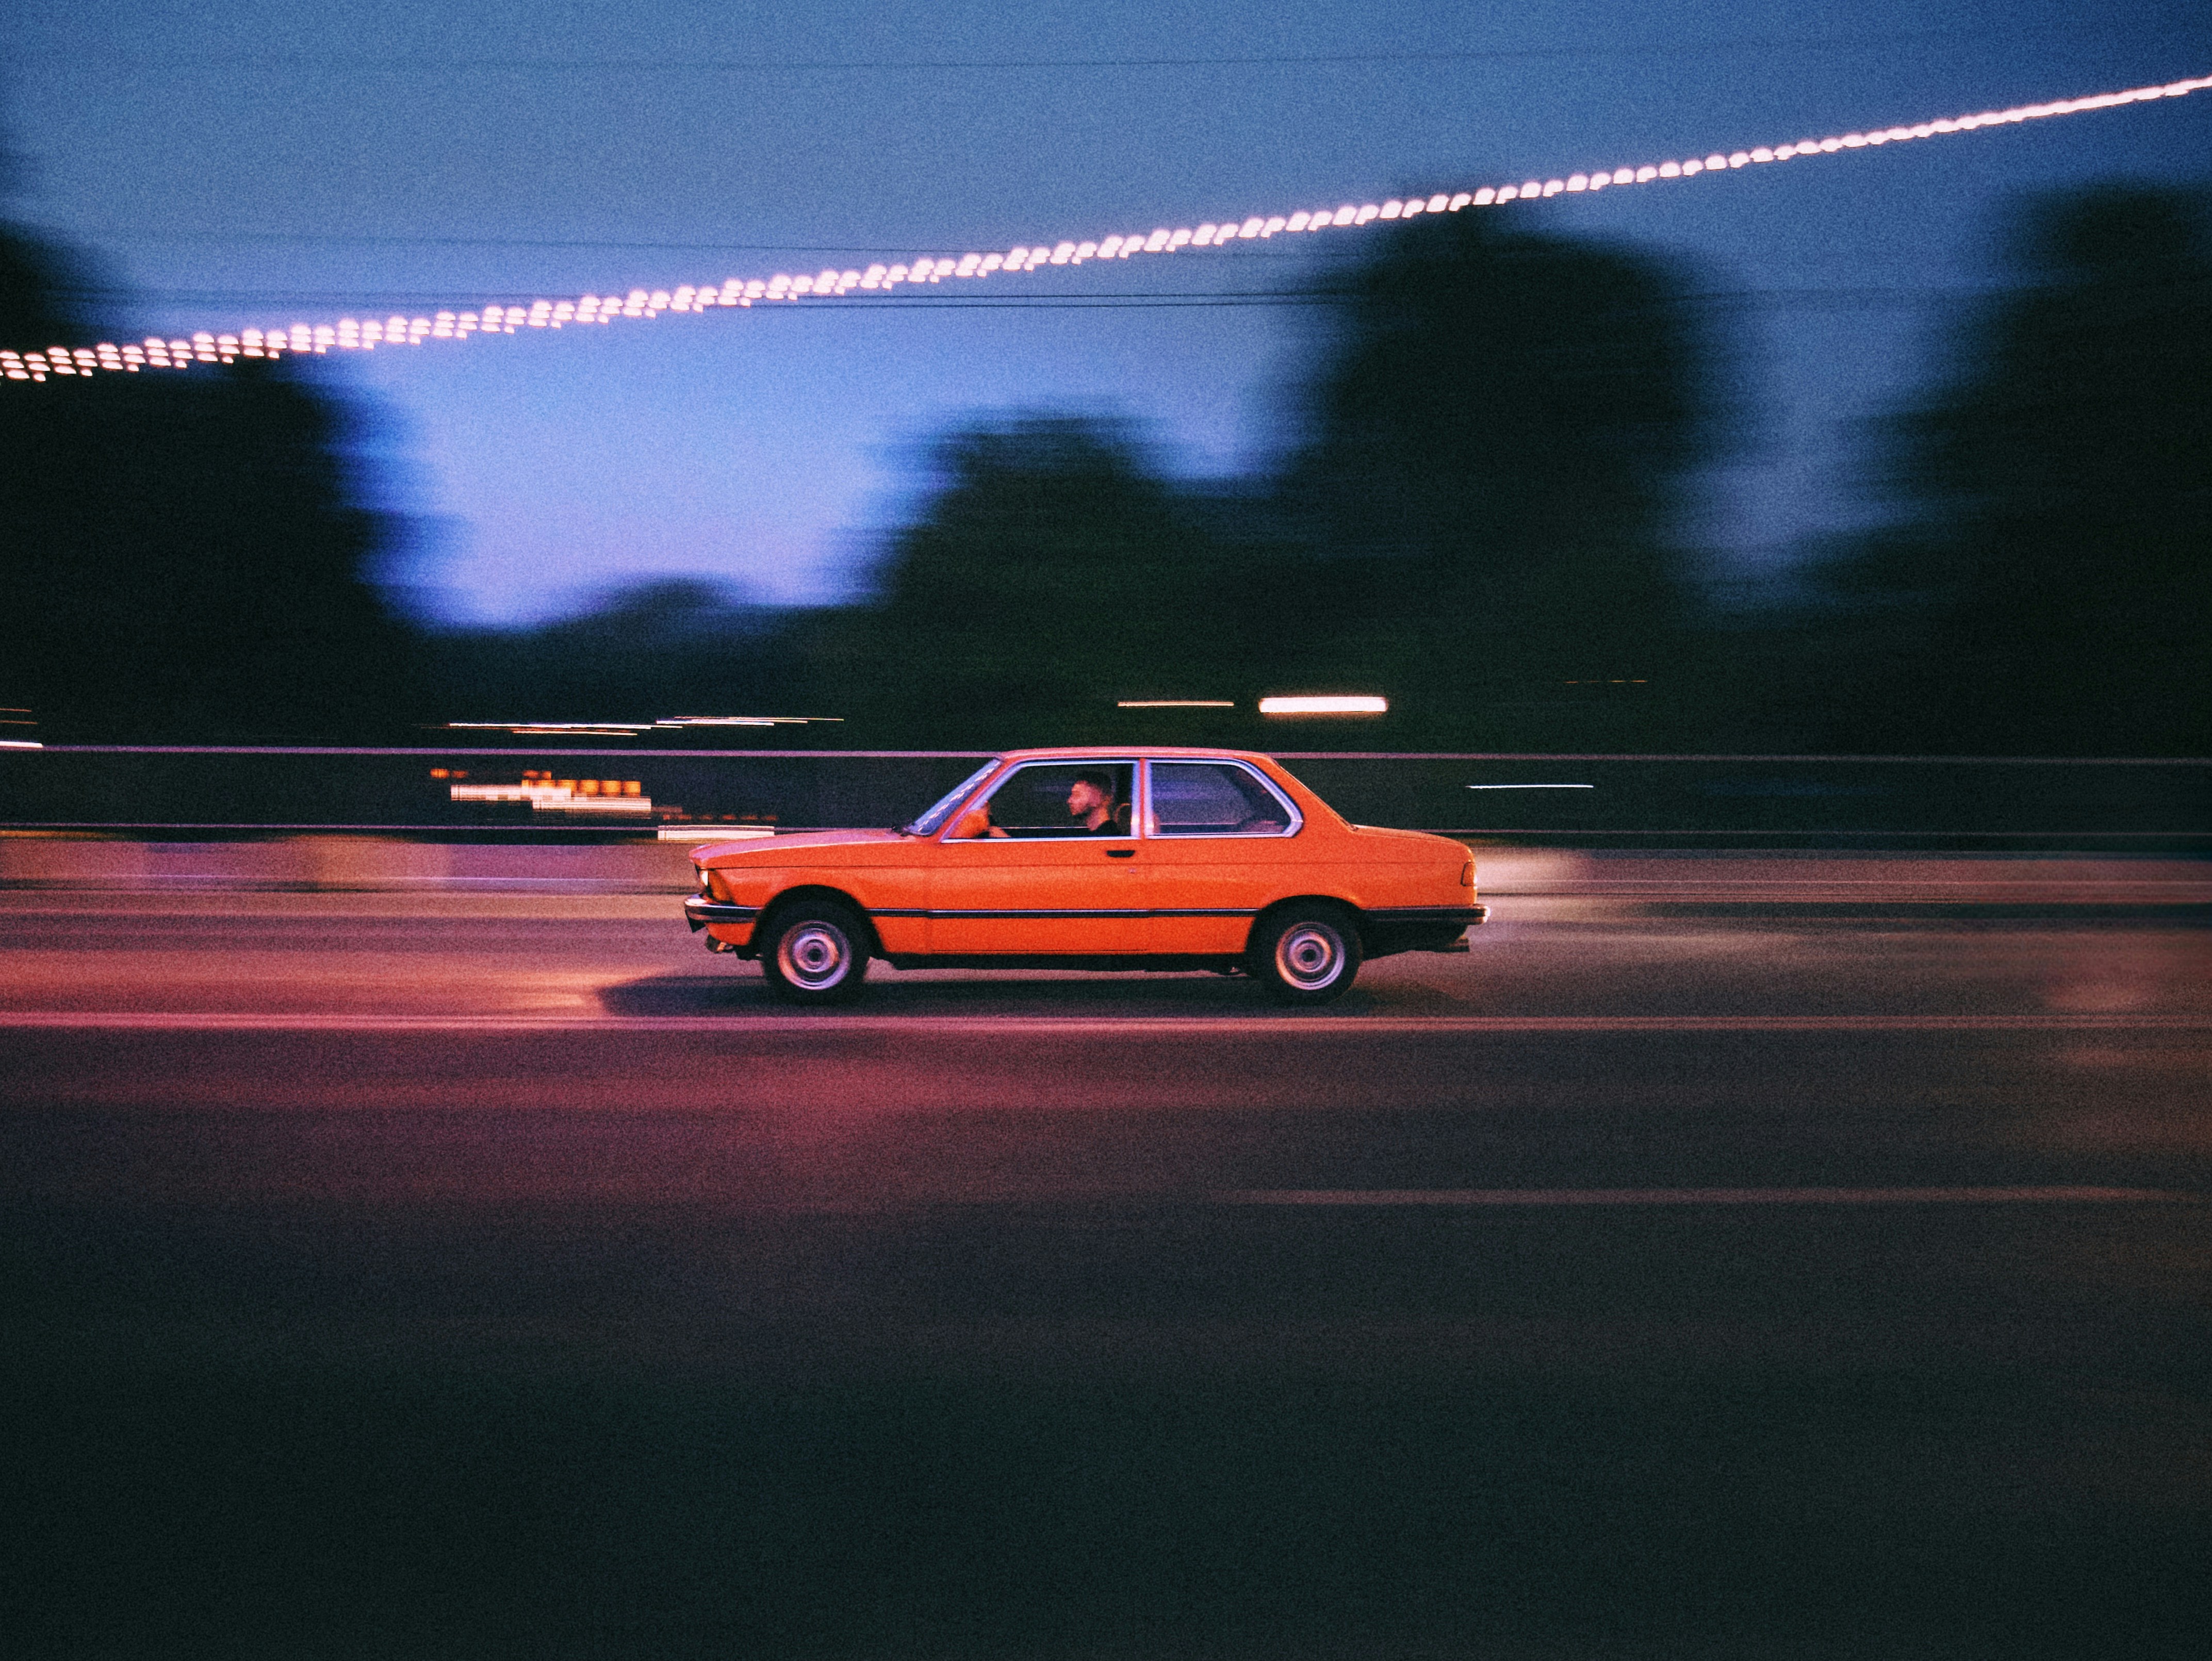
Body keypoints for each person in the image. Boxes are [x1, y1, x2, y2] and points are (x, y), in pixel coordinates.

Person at [1066, 769, 1125, 835]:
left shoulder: (1108, 837)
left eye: (1077, 795)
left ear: (1100, 798)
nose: (1069, 801)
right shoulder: (1097, 835)